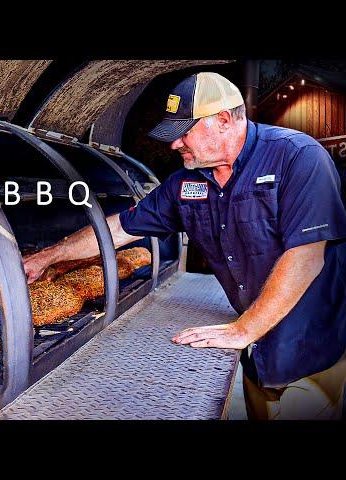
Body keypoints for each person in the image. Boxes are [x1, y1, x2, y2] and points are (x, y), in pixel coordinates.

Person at [23, 72, 346, 420]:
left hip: (313, 346)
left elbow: (306, 257)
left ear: (223, 120)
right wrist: (46, 257)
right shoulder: (186, 184)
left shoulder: (297, 157)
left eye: (184, 134)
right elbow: (119, 228)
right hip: (257, 350)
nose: (174, 145)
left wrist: (244, 329)